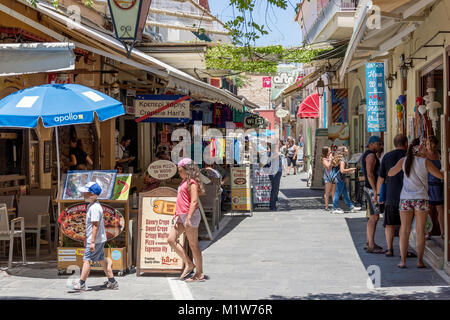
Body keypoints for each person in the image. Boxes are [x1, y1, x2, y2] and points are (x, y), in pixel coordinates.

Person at [388, 138, 443, 268]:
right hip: (421, 199)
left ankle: (402, 261)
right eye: (424, 147)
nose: (425, 150)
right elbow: (440, 176)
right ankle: (419, 261)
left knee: (404, 230)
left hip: (405, 199)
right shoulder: (425, 163)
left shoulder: (404, 161)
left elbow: (390, 173)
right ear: (419, 149)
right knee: (420, 231)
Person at [72, 182, 118, 290]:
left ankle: (81, 283)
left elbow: (95, 225)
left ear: (92, 194)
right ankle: (112, 281)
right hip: (97, 239)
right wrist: (86, 237)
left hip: (95, 240)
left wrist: (92, 241)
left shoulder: (95, 208)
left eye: (86, 192)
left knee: (86, 260)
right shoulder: (91, 206)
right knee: (101, 259)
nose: (83, 194)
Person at [167, 158, 205, 282]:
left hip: (190, 216)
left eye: (180, 171)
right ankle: (189, 263)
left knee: (193, 245)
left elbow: (194, 201)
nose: (179, 173)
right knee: (171, 239)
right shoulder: (184, 181)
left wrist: (188, 217)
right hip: (181, 216)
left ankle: (199, 273)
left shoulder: (192, 183)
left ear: (187, 170)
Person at [376, 134, 408, 257]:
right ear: (406, 143)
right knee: (404, 226)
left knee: (389, 224)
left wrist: (379, 195)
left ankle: (389, 249)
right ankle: (403, 250)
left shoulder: (387, 156)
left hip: (390, 196)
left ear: (395, 144)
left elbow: (381, 178)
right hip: (407, 196)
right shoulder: (408, 156)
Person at [361, 135, 384, 254]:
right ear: (372, 144)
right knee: (374, 216)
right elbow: (370, 174)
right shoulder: (370, 155)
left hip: (369, 188)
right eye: (378, 144)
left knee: (372, 216)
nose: (380, 146)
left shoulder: (369, 154)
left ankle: (369, 242)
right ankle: (371, 245)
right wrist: (376, 190)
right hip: (371, 189)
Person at [331, 146, 361, 214]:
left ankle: (351, 207)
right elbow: (342, 170)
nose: (347, 150)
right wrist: (351, 169)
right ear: (343, 151)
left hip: (340, 178)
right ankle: (334, 208)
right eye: (346, 149)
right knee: (337, 193)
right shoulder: (342, 159)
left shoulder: (341, 158)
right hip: (340, 178)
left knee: (345, 193)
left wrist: (349, 171)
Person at [425, 135, 444, 239]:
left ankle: (443, 232)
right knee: (427, 210)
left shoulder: (440, 154)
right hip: (428, 186)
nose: (429, 146)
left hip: (439, 185)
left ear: (436, 145)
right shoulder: (424, 156)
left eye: (431, 143)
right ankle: (428, 232)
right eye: (428, 144)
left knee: (440, 209)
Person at [321, 146, 335, 211]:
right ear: (326, 152)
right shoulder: (324, 159)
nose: (330, 151)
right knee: (327, 192)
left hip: (333, 176)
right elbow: (328, 167)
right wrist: (331, 159)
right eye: (329, 151)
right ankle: (326, 206)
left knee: (333, 191)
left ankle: (334, 205)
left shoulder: (330, 158)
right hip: (328, 177)